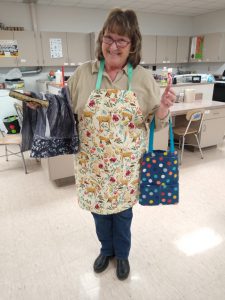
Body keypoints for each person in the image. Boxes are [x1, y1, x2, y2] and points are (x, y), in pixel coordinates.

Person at [28, 8, 176, 280]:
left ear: (132, 45)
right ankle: (106, 250)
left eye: (122, 40)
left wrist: (164, 108)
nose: (114, 45)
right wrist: (39, 103)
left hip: (125, 169)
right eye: (109, 38)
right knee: (99, 214)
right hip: (92, 166)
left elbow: (158, 123)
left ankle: (122, 255)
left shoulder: (143, 79)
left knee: (122, 216)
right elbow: (62, 108)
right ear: (101, 40)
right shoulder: (84, 73)